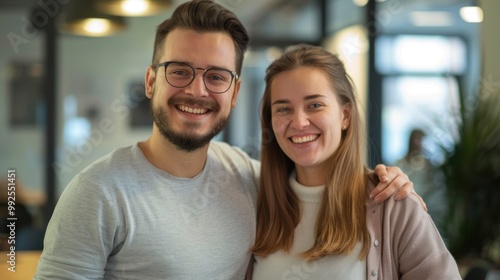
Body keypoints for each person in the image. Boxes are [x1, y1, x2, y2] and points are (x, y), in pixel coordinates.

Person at [34, 1, 418, 279]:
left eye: (216, 76)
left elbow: (314, 179)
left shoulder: (247, 177)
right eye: (180, 71)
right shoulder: (97, 193)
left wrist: (382, 181)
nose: (197, 91)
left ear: (234, 94)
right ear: (151, 81)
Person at [248, 45, 460, 279]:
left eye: (315, 105)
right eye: (283, 109)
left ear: (345, 115)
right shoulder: (256, 203)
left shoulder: (393, 204)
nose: (299, 122)